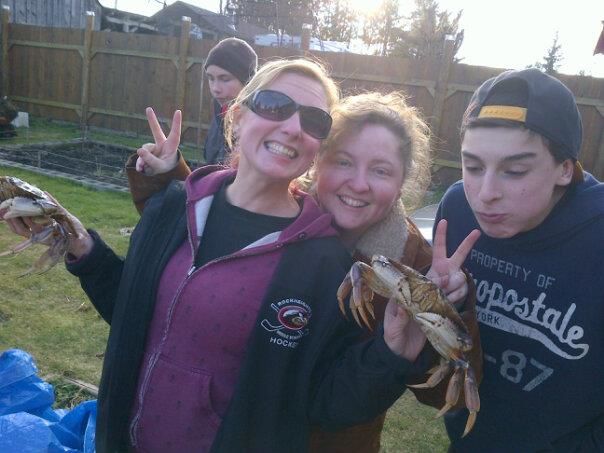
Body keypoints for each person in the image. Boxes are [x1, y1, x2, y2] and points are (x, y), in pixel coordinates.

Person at [5, 58, 439, 453]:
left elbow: (326, 402)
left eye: (312, 119)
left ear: (316, 148)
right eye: (274, 105)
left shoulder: (323, 264)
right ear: (237, 114)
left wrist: (392, 352)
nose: (292, 126)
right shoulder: (172, 207)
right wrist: (83, 248)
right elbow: (135, 317)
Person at [131, 91, 483, 453]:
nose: (359, 183)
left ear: (401, 183)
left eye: (381, 171)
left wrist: (451, 309)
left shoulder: (416, 263)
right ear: (318, 162)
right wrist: (167, 178)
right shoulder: (279, 216)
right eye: (343, 162)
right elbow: (205, 233)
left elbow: (447, 392)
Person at [436, 67, 604, 451]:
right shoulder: (457, 209)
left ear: (565, 169)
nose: (485, 193)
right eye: (472, 166)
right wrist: (445, 301)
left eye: (514, 171)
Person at [202, 37, 257, 165]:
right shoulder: (220, 112)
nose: (215, 88)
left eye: (225, 79)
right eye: (211, 78)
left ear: (247, 81)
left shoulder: (257, 125)